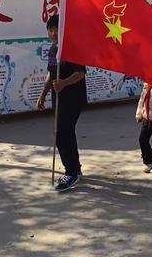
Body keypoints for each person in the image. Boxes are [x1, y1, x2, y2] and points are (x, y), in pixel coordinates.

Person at [37, 15, 87, 192]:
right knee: (65, 133)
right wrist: (43, 94)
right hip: (58, 99)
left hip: (74, 98)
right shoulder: (53, 50)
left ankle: (71, 172)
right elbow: (51, 73)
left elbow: (80, 73)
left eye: (55, 29)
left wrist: (64, 83)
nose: (52, 33)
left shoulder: (73, 48)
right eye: (49, 30)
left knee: (62, 133)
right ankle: (76, 168)